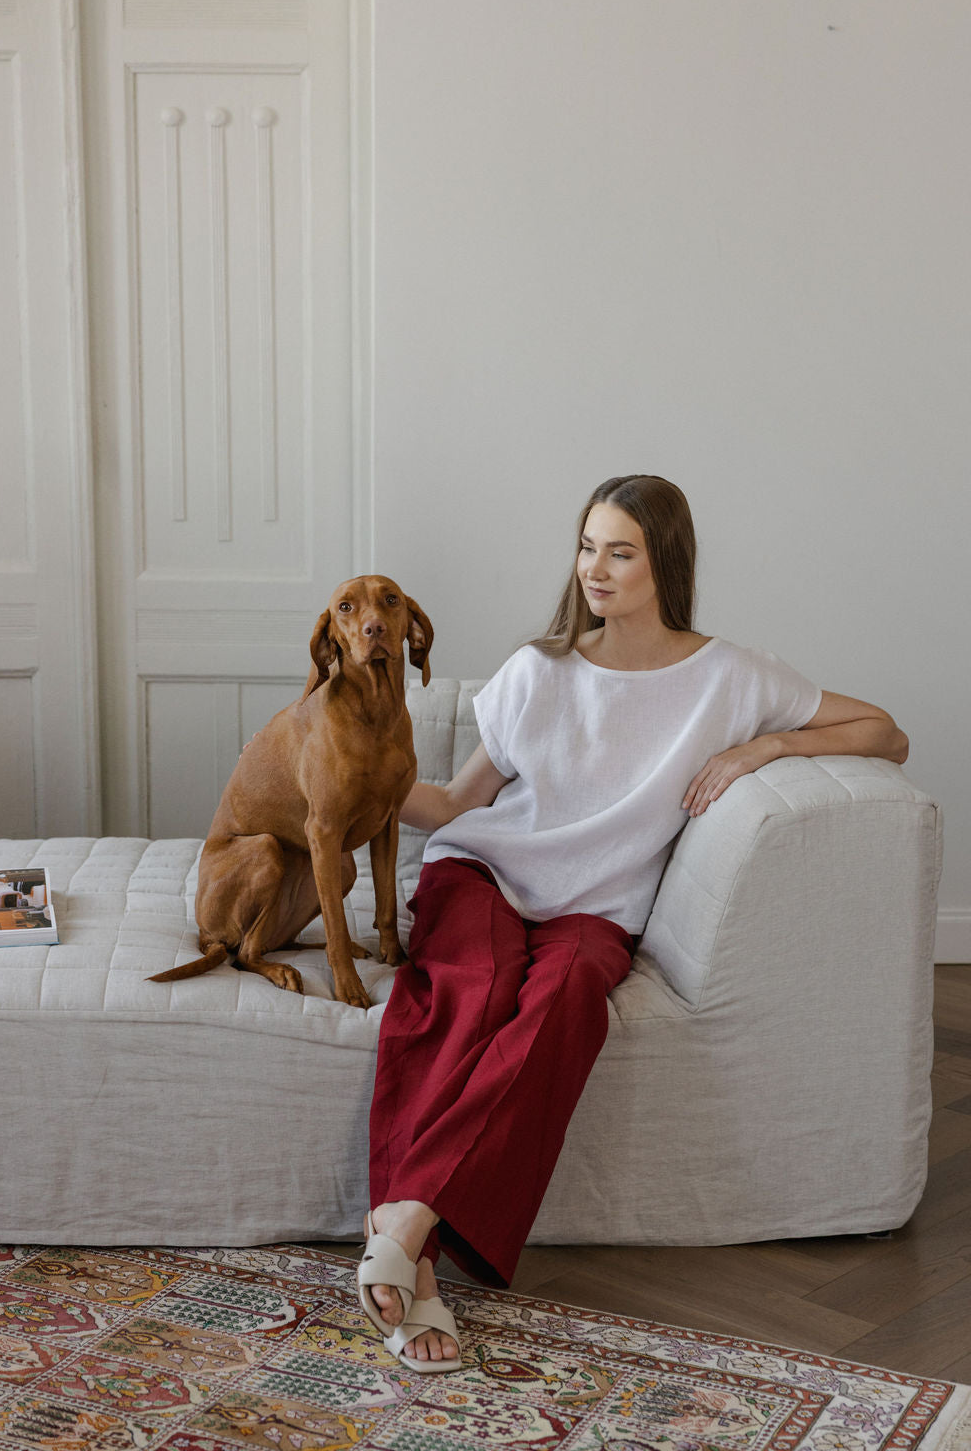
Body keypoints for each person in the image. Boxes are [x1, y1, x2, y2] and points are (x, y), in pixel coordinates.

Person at [357, 473, 908, 1372]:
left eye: (620, 552)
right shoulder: (540, 669)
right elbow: (458, 802)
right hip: (485, 873)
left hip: (601, 910)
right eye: (586, 548)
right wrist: (345, 776)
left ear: (665, 563)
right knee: (471, 990)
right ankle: (416, 1270)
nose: (595, 571)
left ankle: (407, 1215)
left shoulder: (730, 677)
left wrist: (766, 744)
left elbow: (886, 734)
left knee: (568, 998)